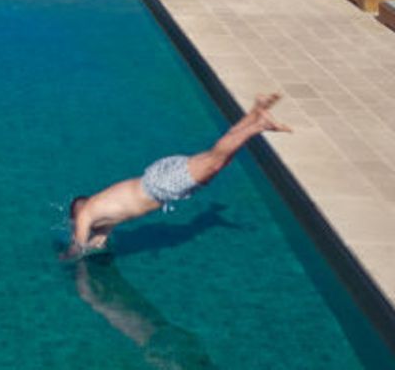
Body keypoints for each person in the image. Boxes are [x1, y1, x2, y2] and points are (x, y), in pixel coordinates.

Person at [64, 93, 290, 259]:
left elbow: (77, 249)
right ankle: (254, 113)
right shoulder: (102, 217)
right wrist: (98, 244)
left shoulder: (87, 214)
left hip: (158, 185)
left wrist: (64, 260)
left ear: (77, 212)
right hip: (159, 184)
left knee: (213, 161)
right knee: (217, 162)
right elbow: (98, 242)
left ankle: (258, 125)